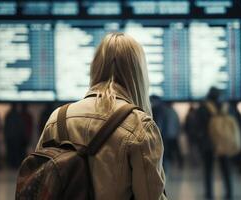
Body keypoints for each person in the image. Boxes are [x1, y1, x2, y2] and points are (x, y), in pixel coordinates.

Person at [36, 33, 167, 200]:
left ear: (95, 68)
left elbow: (41, 183)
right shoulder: (140, 126)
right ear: (138, 73)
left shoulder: (58, 118)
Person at [196, 87, 232, 200]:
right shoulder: (225, 107)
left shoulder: (203, 107)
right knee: (226, 169)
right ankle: (229, 193)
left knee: (208, 169)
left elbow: (198, 126)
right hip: (223, 142)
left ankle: (209, 193)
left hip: (208, 143)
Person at [151, 96, 183, 169]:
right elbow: (177, 123)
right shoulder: (174, 112)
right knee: (175, 149)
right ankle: (177, 162)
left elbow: (160, 123)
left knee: (167, 151)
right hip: (173, 134)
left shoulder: (163, 111)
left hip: (166, 134)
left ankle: (167, 163)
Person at [4, 104, 26, 168]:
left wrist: (6, 135)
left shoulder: (8, 115)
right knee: (16, 151)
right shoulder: (18, 115)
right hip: (16, 136)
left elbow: (6, 126)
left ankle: (11, 164)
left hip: (11, 136)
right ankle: (15, 164)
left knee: (11, 151)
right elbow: (21, 126)